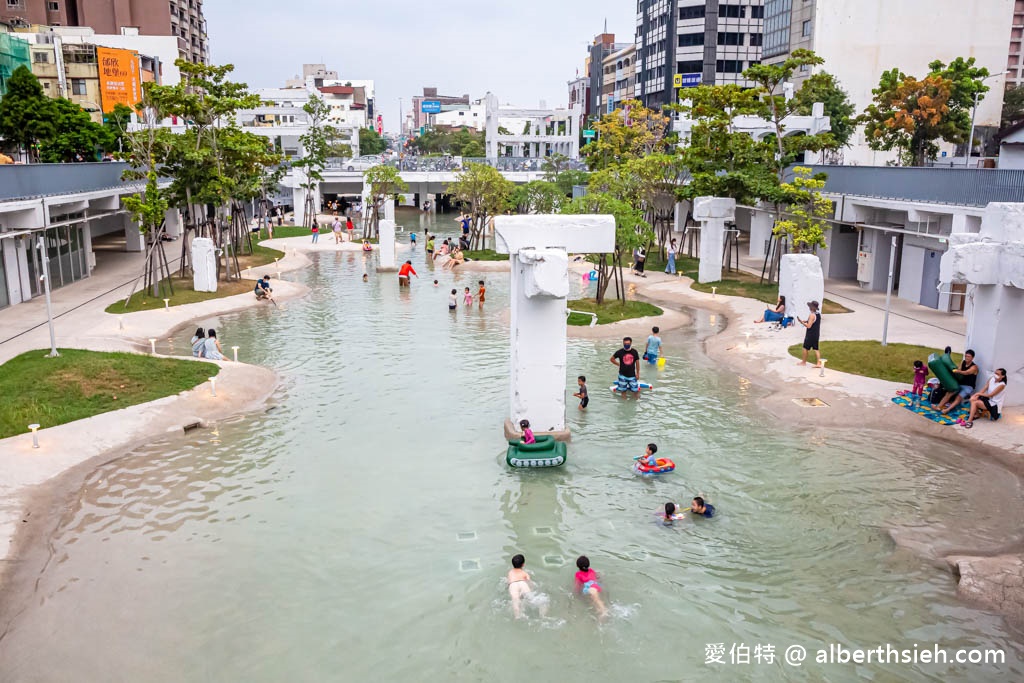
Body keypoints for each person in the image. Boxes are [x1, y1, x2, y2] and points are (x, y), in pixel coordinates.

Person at [939, 349, 980, 415]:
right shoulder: (963, 362)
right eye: (966, 356)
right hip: (960, 384)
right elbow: (959, 369)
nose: (966, 358)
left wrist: (958, 371)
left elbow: (967, 372)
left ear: (972, 358)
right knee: (949, 392)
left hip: (968, 386)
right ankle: (938, 406)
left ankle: (947, 410)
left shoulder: (974, 367)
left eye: (968, 356)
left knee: (958, 397)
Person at [507, 554, 546, 619]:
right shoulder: (524, 573)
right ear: (523, 564)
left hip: (513, 584)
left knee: (515, 601)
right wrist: (532, 588)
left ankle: (517, 616)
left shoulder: (510, 573)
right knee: (532, 599)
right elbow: (529, 582)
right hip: (523, 583)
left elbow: (508, 583)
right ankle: (542, 616)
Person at [797, 301, 822, 367]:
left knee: (805, 348)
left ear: (811, 307)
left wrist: (802, 323)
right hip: (816, 334)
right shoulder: (818, 314)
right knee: (816, 348)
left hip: (810, 334)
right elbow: (814, 322)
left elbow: (809, 326)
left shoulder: (812, 315)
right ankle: (819, 363)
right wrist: (805, 321)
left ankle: (803, 362)